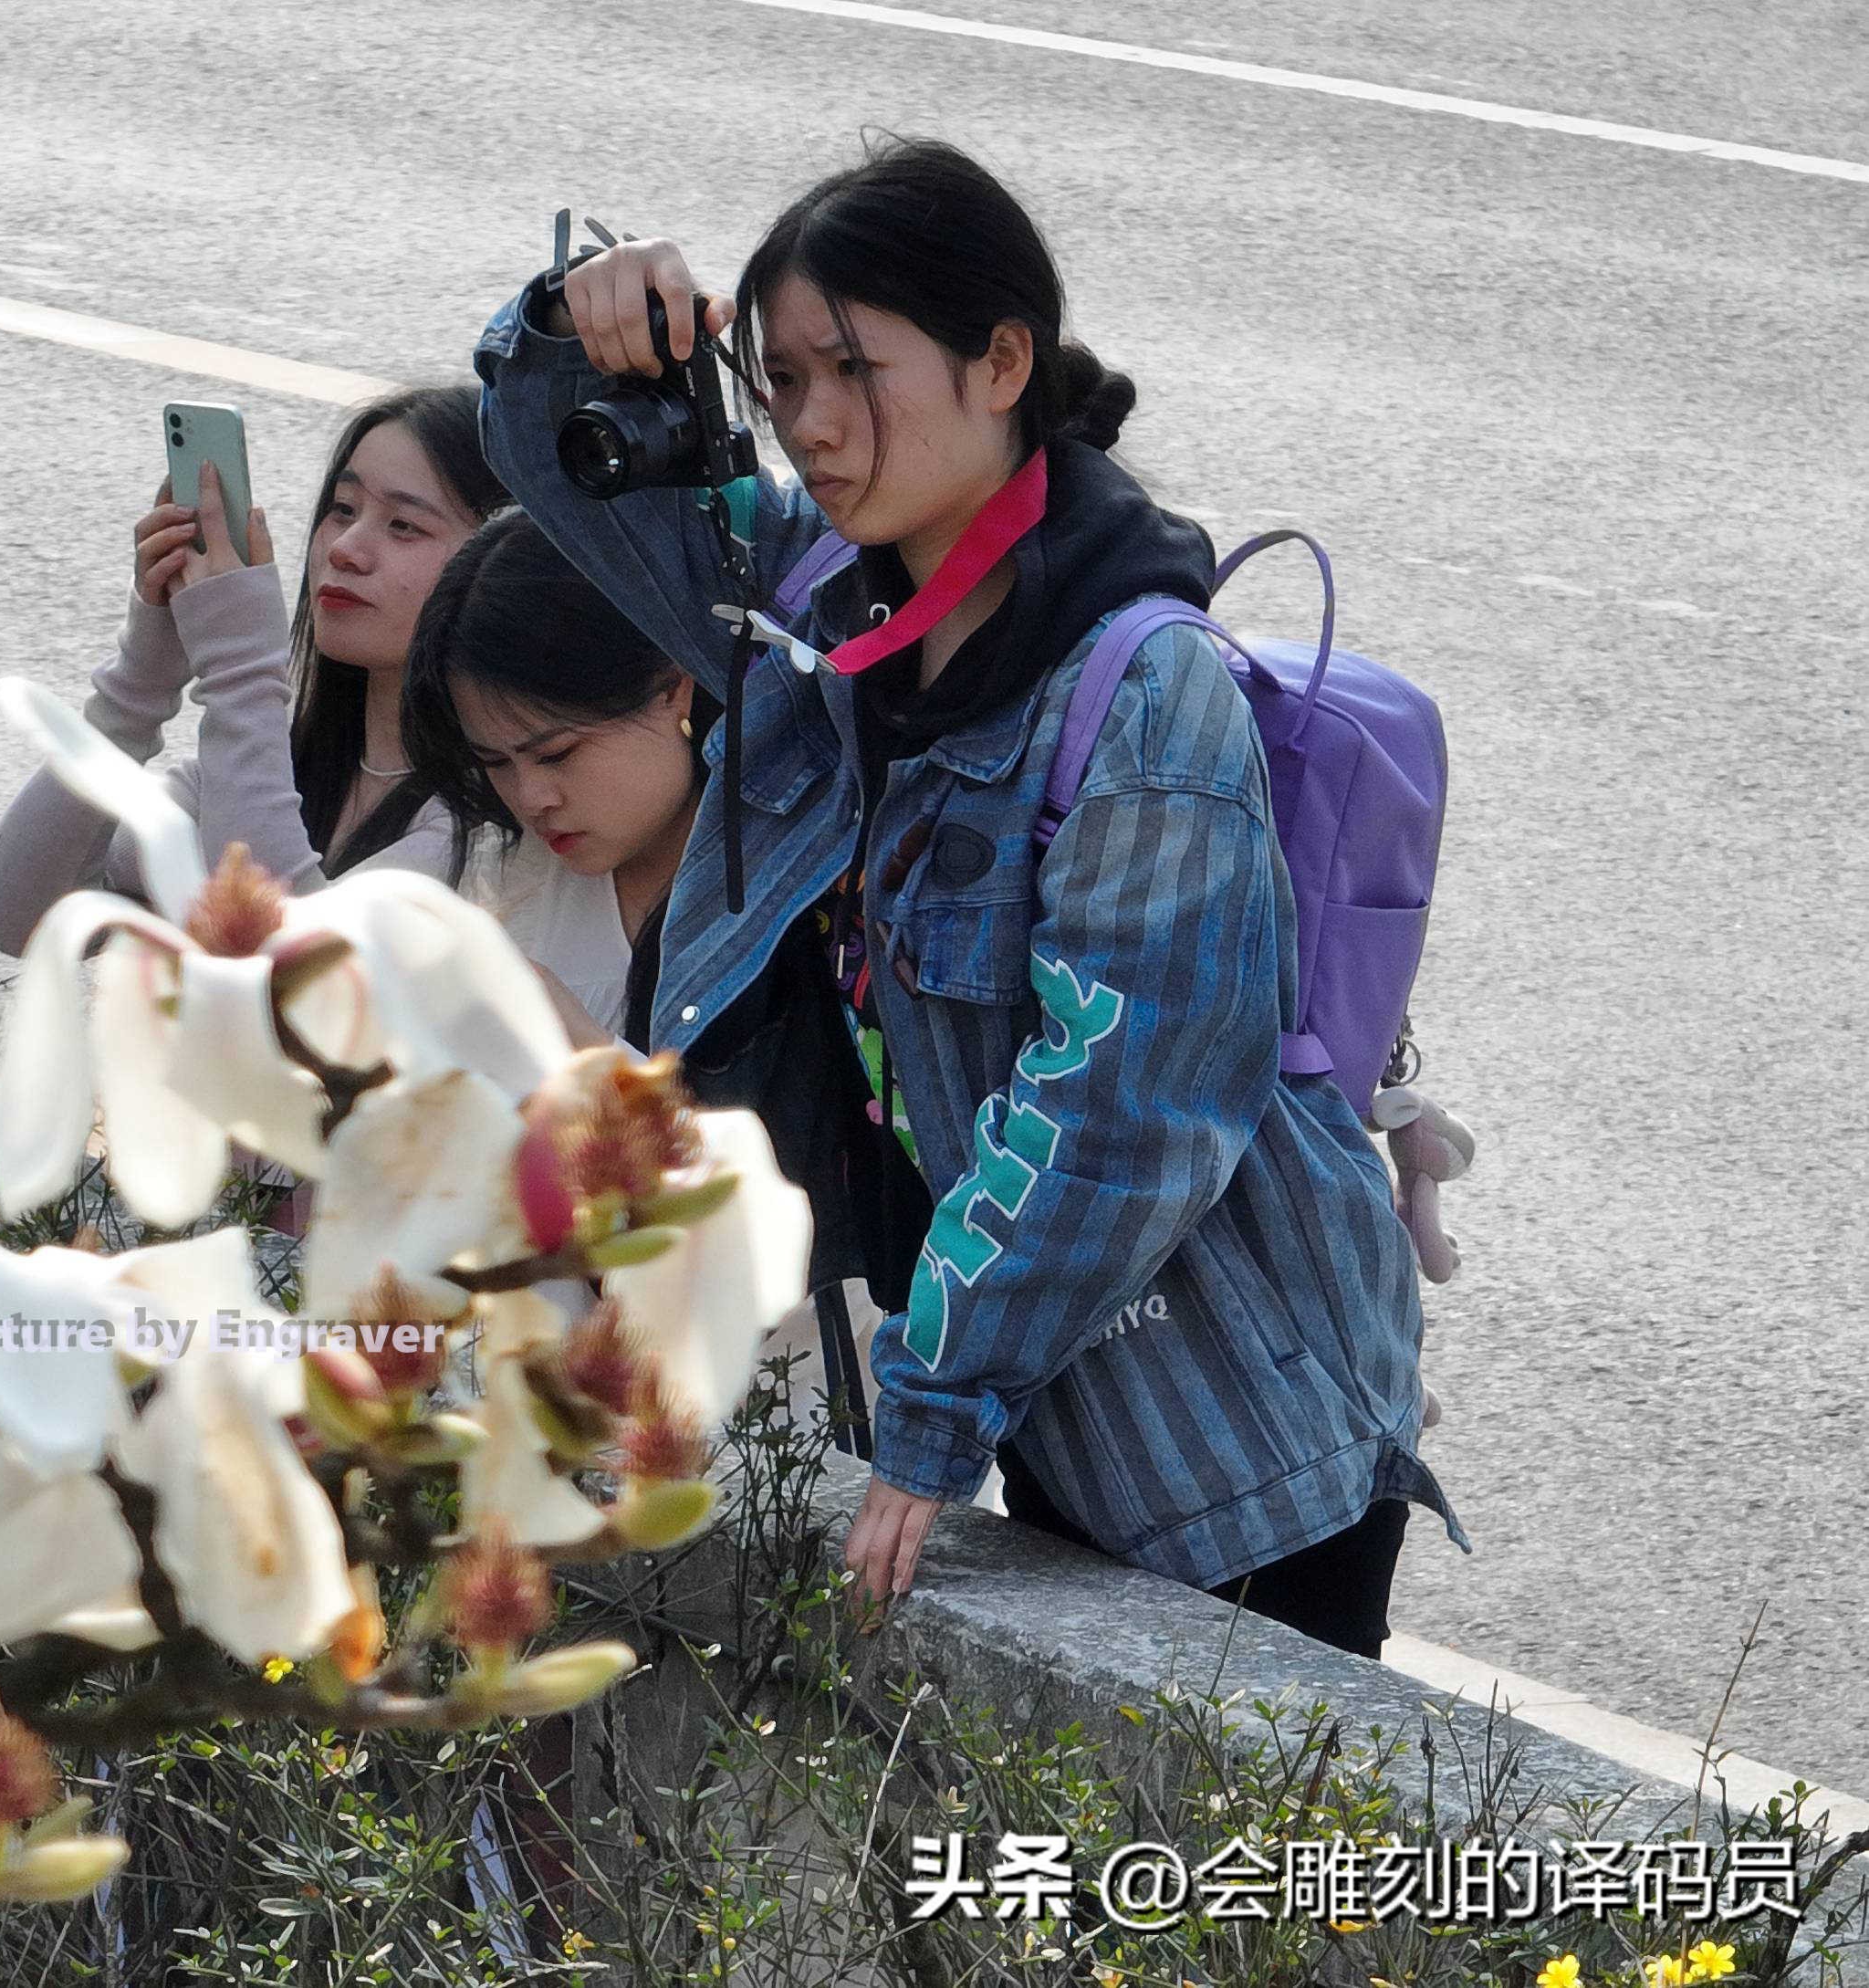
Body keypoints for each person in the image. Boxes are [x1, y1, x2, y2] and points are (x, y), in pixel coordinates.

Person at [473, 137, 1462, 1659]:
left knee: (1195, 1887)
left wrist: (931, 1412)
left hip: (1248, 1448)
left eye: (850, 371)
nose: (806, 424)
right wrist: (575, 326)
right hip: (1062, 1395)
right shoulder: (835, 613)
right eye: (778, 377)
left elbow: (1125, 1105)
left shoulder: (1141, 694)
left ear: (1000, 361)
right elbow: (591, 502)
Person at [0, 386, 510, 956]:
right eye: (342, 510)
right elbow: (17, 919)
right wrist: (139, 683)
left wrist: (242, 674)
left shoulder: (496, 820)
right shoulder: (265, 774)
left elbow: (288, 974)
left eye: (403, 525)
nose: (346, 548)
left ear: (495, 563)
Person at [395, 510, 701, 1046]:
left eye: (557, 754)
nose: (530, 799)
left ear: (674, 687)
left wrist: (592, 1059)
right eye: (493, 763)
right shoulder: (487, 869)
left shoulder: (810, 889)